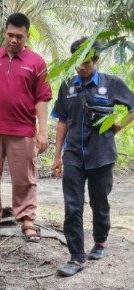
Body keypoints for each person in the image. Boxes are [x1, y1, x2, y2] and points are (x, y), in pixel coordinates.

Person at [51, 37, 134, 277]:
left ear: (95, 60)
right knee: (73, 206)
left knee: (99, 202)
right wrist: (57, 156)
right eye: (77, 63)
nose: (81, 67)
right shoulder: (67, 86)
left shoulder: (111, 84)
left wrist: (119, 125)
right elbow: (62, 121)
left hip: (102, 155)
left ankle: (100, 241)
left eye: (86, 62)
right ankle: (76, 257)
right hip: (74, 154)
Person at [0, 13, 52, 242]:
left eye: (19, 36)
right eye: (10, 35)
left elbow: (42, 99)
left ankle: (26, 219)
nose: (14, 40)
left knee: (24, 177)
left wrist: (43, 131)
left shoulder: (37, 62)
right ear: (4, 32)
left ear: (26, 36)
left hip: (23, 130)